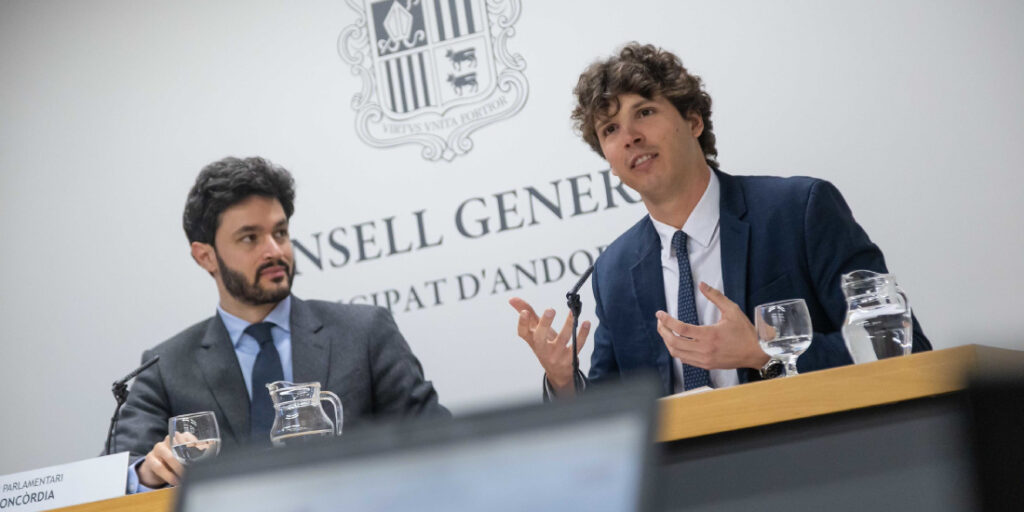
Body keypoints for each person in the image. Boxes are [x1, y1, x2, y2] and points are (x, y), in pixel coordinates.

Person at [510, 43, 930, 398]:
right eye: (610, 130)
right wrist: (564, 383)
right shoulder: (613, 271)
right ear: (610, 161)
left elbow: (903, 350)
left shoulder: (799, 211)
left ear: (693, 121)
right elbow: (613, 417)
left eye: (645, 112)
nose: (629, 137)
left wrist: (762, 353)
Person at [113, 156, 447, 491]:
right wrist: (147, 473)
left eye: (280, 232)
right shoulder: (166, 368)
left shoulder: (364, 333)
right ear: (206, 256)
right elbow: (116, 474)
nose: (274, 250)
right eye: (250, 238)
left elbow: (439, 441)